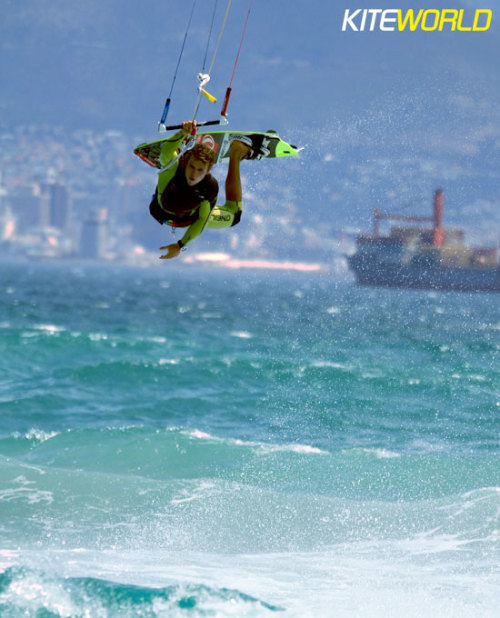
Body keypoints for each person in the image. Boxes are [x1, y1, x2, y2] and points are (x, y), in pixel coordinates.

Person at [149, 120, 254, 259]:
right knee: (167, 158)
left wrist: (180, 245)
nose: (194, 174)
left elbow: (202, 220)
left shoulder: (209, 187)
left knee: (235, 216)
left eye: (200, 170)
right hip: (161, 212)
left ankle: (236, 152)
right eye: (192, 167)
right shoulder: (173, 170)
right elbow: (165, 152)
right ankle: (180, 148)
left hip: (190, 219)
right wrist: (183, 133)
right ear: (185, 163)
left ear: (208, 170)